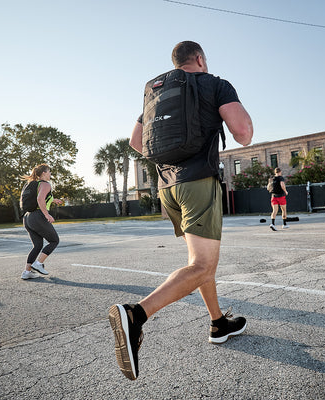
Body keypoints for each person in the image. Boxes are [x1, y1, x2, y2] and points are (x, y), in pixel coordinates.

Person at [108, 41, 253, 380]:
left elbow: (135, 141)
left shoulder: (157, 91)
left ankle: (218, 323)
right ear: (200, 59)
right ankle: (135, 315)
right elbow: (243, 133)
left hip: (166, 186)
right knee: (203, 265)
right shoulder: (214, 83)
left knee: (200, 263)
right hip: (198, 181)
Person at [21, 164, 63, 279]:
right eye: (49, 172)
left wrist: (53, 200)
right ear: (44, 173)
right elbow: (40, 199)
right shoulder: (45, 184)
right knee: (54, 240)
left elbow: (40, 198)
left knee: (38, 245)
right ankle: (38, 263)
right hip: (38, 216)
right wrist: (47, 214)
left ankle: (27, 272)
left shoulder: (34, 184)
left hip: (28, 218)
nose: (50, 174)